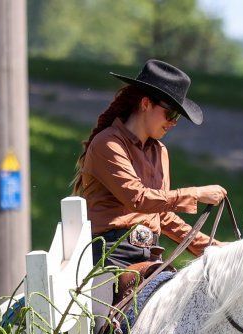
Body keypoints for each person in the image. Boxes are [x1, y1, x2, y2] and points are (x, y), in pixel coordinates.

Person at [72, 58, 227, 269]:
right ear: (145, 104)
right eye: (170, 113)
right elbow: (138, 198)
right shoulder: (107, 144)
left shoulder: (160, 151)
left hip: (152, 256)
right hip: (111, 255)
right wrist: (196, 194)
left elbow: (160, 213)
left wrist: (211, 246)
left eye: (177, 118)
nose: (173, 123)